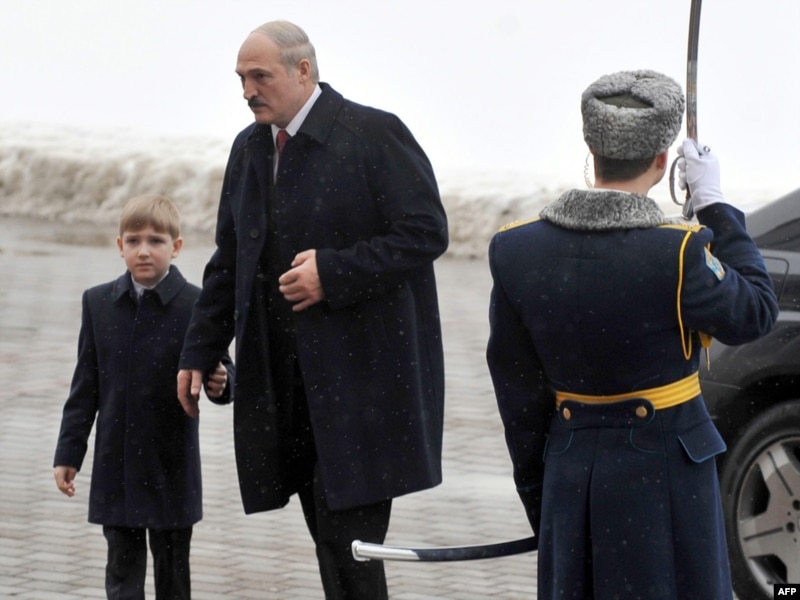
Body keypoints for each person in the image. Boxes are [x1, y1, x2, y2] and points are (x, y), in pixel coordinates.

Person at [176, 20, 448, 600]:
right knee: (330, 545)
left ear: (303, 70)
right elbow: (230, 259)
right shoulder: (249, 147)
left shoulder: (374, 134)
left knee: (351, 548)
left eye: (260, 76)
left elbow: (426, 232)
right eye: (241, 79)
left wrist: (334, 272)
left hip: (364, 386)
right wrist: (199, 350)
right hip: (285, 388)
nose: (247, 90)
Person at [486, 70, 778, 599]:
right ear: (663, 161)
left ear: (591, 148)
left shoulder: (516, 249)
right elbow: (756, 312)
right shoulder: (678, 252)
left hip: (570, 470)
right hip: (666, 478)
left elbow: (519, 396)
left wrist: (543, 495)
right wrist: (714, 205)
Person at [53, 194, 233, 600]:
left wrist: (221, 382)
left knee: (173, 575)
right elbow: (85, 388)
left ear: (176, 246)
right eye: (133, 241)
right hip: (116, 466)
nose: (144, 251)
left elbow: (222, 368)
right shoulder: (98, 303)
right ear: (120, 246)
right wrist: (68, 454)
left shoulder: (196, 304)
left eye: (155, 241)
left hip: (171, 466)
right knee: (121, 573)